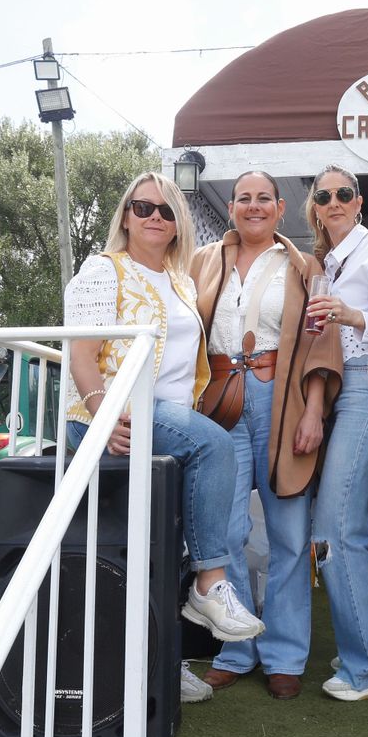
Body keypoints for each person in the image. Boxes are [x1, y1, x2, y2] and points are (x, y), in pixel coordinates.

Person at [63, 172, 266, 661]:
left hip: (168, 417)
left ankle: (163, 671)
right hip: (115, 411)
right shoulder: (103, 270)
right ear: (126, 217)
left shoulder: (178, 281)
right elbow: (81, 355)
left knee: (164, 546)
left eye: (167, 211)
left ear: (177, 225)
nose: (155, 217)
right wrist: (103, 415)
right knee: (216, 445)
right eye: (143, 208)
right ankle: (211, 584)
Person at [191, 170, 342, 701]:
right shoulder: (202, 261)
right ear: (231, 207)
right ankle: (235, 647)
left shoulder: (305, 265)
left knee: (289, 535)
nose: (253, 206)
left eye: (264, 199)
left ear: (281, 209)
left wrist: (314, 411)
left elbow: (322, 345)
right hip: (217, 403)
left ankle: (284, 654)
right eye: (243, 198)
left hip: (283, 401)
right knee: (222, 531)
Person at [300, 165, 368, 701]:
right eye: (325, 196)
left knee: (333, 528)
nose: (335, 202)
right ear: (316, 208)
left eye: (344, 193)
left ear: (359, 200)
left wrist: (351, 315)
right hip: (345, 389)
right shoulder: (326, 264)